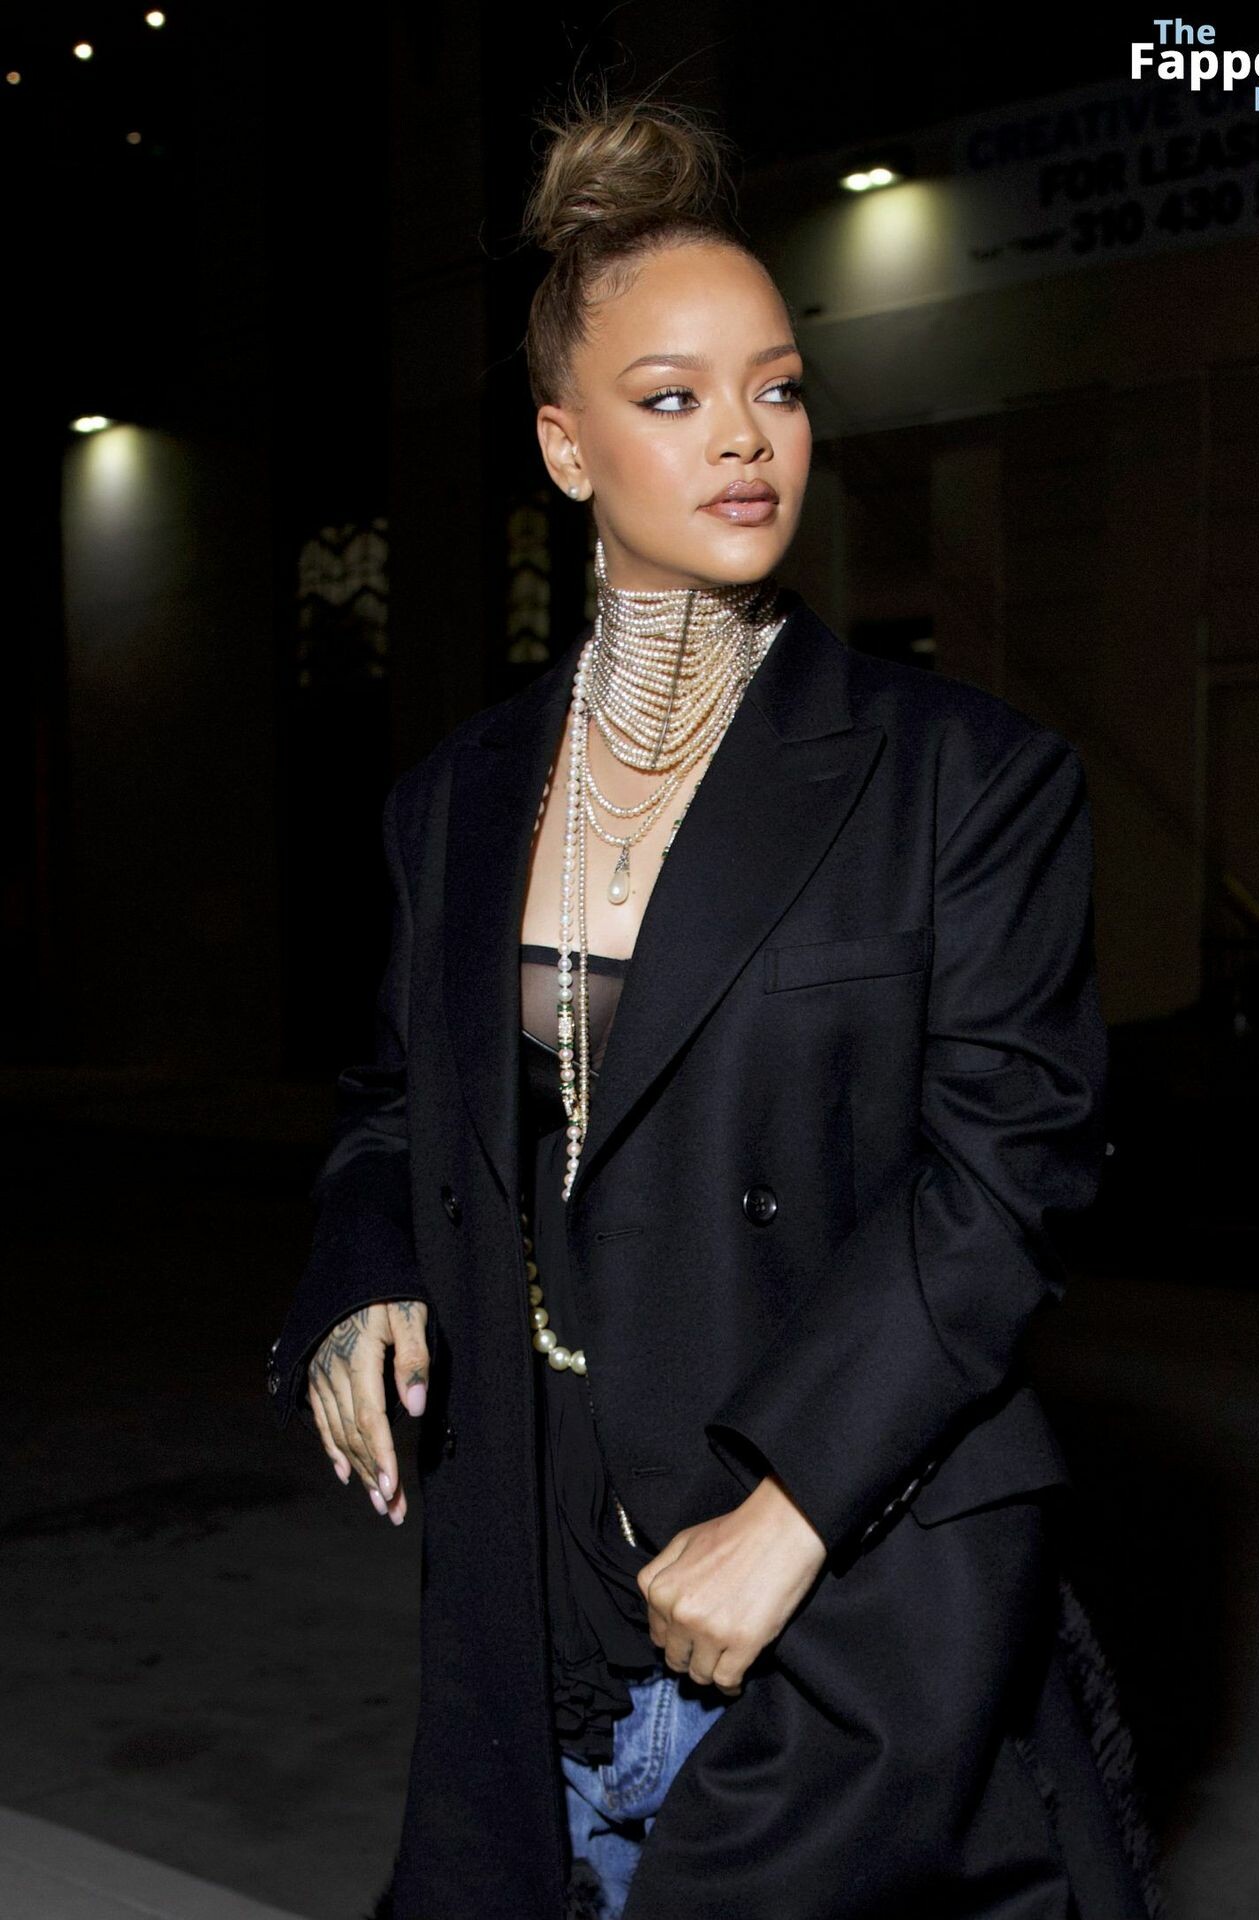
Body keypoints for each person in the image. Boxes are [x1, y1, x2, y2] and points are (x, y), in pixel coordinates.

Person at [268, 87, 1163, 1920]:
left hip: (841, 1601)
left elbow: (1004, 1181)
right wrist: (360, 1271)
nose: (748, 438)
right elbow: (394, 1106)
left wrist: (792, 1512)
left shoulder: (959, 779)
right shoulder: (455, 802)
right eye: (673, 398)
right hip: (537, 1609)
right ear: (564, 446)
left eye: (777, 387)